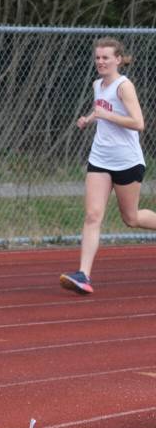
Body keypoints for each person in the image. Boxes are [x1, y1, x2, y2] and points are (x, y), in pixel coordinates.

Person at [61, 37, 153, 294]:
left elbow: (138, 123)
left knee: (131, 218)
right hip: (100, 158)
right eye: (98, 57)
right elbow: (101, 108)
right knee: (92, 215)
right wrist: (89, 119)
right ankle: (83, 275)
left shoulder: (125, 86)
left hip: (127, 161)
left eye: (105, 58)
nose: (100, 62)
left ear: (118, 59)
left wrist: (105, 115)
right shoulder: (97, 85)